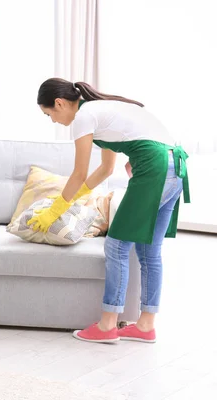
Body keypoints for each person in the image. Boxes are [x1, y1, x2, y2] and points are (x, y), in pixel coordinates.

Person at [32, 78, 190, 344]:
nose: (53, 121)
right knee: (148, 249)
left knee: (117, 246)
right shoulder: (100, 111)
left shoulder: (84, 117)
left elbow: (79, 173)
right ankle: (145, 326)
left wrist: (55, 210)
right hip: (175, 165)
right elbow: (105, 169)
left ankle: (107, 326)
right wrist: (80, 197)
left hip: (155, 168)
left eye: (50, 114)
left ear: (60, 103)